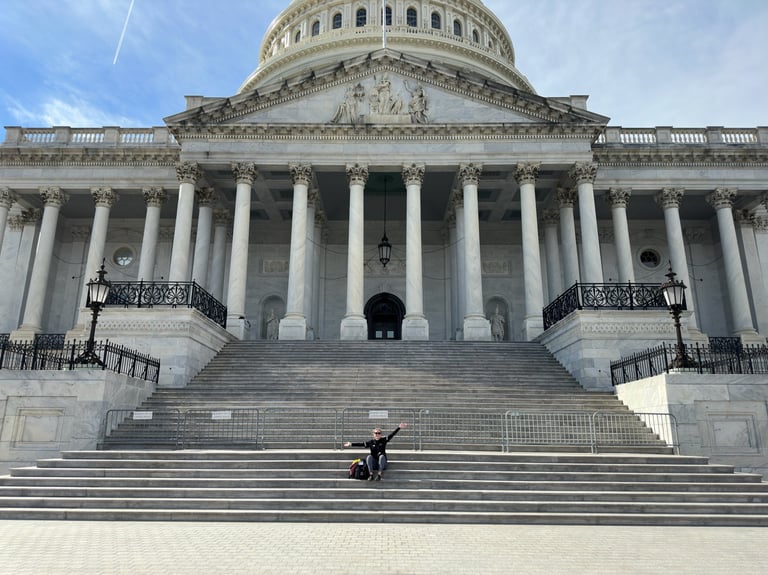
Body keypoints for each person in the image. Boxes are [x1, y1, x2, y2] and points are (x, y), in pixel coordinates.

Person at [343, 422, 408, 481]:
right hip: (374, 464)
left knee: (382, 456)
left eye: (379, 433)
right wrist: (351, 444)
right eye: (376, 433)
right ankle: (371, 475)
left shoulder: (383, 440)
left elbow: (392, 435)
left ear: (381, 434)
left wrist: (399, 428)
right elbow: (361, 444)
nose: (377, 434)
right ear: (373, 434)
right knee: (369, 457)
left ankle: (379, 475)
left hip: (382, 464)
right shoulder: (371, 442)